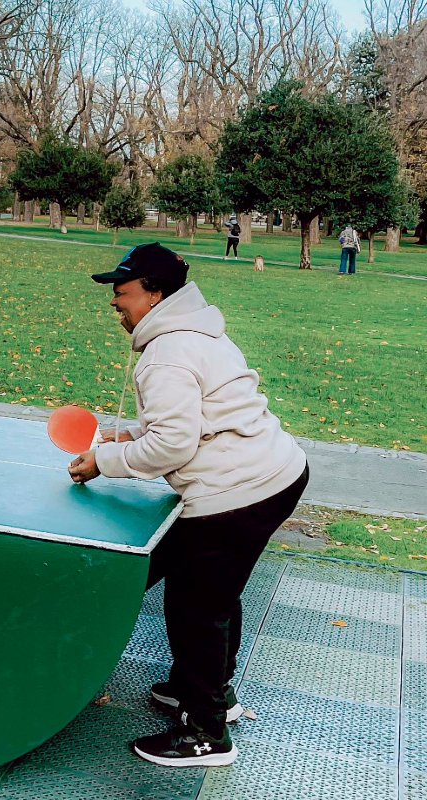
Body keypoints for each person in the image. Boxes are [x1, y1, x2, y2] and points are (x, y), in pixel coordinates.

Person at [67, 242, 308, 768]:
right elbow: (191, 420)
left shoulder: (166, 354)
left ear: (154, 294)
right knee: (210, 592)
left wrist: (104, 462)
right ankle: (208, 690)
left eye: (123, 291)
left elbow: (172, 446)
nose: (115, 302)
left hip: (239, 488)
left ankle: (206, 734)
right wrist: (122, 435)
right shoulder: (197, 332)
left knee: (198, 604)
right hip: (275, 472)